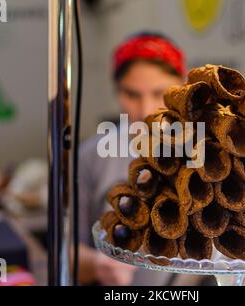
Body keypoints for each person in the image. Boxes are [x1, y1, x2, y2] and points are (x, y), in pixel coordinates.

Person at [78, 32, 211, 286]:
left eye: (159, 92)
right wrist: (97, 265)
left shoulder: (205, 152)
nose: (146, 109)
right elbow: (67, 249)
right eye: (132, 94)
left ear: (181, 88)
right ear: (117, 91)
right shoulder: (93, 155)